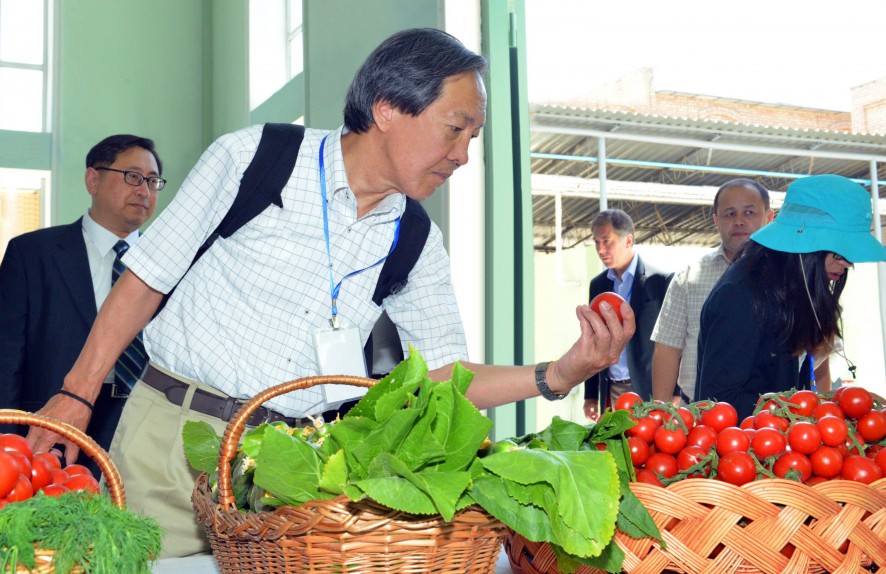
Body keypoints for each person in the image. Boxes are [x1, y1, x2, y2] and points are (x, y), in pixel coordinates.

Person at [27, 28, 635, 558]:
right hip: (170, 439)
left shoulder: (416, 237)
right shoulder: (254, 159)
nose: (463, 156)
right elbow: (146, 280)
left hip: (291, 473)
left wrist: (559, 372)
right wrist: (74, 395)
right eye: (456, 129)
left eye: (473, 137)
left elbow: (445, 377)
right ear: (389, 107)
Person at [0, 134, 163, 476]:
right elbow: (7, 357)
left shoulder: (170, 265)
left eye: (153, 181)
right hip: (51, 428)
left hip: (145, 432)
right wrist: (8, 446)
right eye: (132, 176)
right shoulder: (32, 253)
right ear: (93, 179)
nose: (144, 190)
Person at [696, 174, 886, 419]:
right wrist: (824, 412)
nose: (847, 263)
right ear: (804, 245)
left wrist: (842, 403)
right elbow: (720, 401)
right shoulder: (741, 297)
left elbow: (788, 389)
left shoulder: (789, 289)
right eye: (839, 253)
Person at [650, 178, 774, 405]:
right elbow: (667, 347)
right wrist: (660, 412)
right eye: (729, 214)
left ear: (770, 217)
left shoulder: (787, 278)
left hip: (771, 418)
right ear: (716, 221)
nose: (739, 221)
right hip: (699, 414)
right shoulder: (688, 277)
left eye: (749, 213)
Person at [584, 209, 672, 420]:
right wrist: (590, 395)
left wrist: (674, 393)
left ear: (628, 240)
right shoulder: (598, 285)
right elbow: (593, 339)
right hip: (611, 388)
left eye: (607, 241)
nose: (601, 249)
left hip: (649, 389)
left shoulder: (660, 281)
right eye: (596, 242)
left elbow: (673, 341)